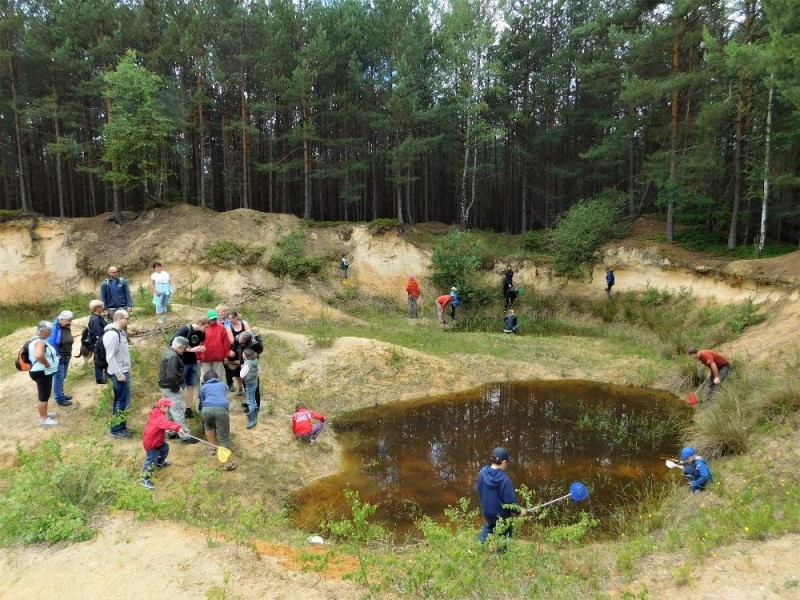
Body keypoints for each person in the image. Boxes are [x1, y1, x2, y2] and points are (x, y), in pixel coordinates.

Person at [476, 447, 528, 542]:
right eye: (507, 462)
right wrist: (520, 511)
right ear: (503, 462)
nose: (507, 464)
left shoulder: (482, 473)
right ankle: (502, 555)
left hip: (487, 512)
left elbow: (479, 489)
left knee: (489, 526)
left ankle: (477, 548)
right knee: (505, 531)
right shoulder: (505, 480)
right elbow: (510, 504)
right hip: (501, 516)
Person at [157, 336, 198, 445]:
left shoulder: (167, 351)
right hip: (171, 388)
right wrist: (176, 388)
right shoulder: (173, 357)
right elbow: (171, 376)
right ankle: (185, 436)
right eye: (184, 349)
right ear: (180, 346)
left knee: (169, 411)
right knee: (178, 411)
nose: (184, 351)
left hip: (164, 387)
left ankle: (171, 432)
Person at [140, 398, 186, 489]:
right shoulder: (158, 416)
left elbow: (163, 424)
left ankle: (159, 464)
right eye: (168, 407)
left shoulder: (158, 413)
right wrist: (178, 428)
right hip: (152, 443)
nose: (169, 408)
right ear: (162, 407)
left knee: (165, 448)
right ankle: (145, 479)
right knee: (151, 460)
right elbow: (166, 424)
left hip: (157, 440)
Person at [171, 317, 209, 418]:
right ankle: (175, 408)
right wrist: (191, 350)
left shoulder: (202, 333)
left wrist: (201, 349)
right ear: (200, 323)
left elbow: (199, 344)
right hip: (182, 362)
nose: (207, 329)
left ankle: (188, 409)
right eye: (206, 326)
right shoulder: (185, 330)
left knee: (191, 386)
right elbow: (173, 344)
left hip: (193, 362)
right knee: (178, 386)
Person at [198, 370, 236, 471]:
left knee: (208, 426)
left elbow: (201, 401)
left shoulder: (203, 387)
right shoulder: (223, 385)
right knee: (223, 437)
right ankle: (227, 463)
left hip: (206, 409)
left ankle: (212, 448)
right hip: (221, 409)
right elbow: (222, 396)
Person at [104, 309, 133, 439]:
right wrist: (119, 373)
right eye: (127, 318)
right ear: (120, 318)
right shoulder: (112, 334)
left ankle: (120, 426)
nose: (128, 320)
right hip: (119, 373)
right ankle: (117, 429)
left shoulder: (119, 332)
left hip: (123, 371)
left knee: (122, 400)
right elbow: (110, 357)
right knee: (122, 401)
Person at [28, 321, 59, 427]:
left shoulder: (37, 340)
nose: (50, 333)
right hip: (42, 372)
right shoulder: (40, 342)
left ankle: (45, 413)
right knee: (43, 396)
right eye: (48, 331)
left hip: (40, 371)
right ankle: (43, 419)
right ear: (41, 331)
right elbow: (39, 355)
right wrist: (47, 364)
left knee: (45, 394)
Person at [47, 310, 75, 407]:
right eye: (68, 320)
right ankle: (59, 399)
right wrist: (57, 356)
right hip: (59, 357)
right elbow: (51, 343)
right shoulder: (54, 328)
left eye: (71, 320)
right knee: (58, 378)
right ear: (61, 319)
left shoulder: (65, 326)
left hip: (66, 355)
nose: (70, 322)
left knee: (62, 376)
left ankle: (61, 394)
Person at [233, 331, 264, 411]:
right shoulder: (238, 338)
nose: (239, 342)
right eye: (239, 340)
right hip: (244, 364)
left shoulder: (255, 345)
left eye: (241, 341)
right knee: (246, 385)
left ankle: (256, 406)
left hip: (251, 366)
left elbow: (257, 355)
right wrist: (233, 353)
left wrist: (249, 364)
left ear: (247, 341)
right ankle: (250, 402)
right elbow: (234, 347)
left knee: (254, 387)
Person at [199, 309, 233, 379]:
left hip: (218, 357)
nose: (213, 320)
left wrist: (226, 355)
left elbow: (225, 343)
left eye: (215, 318)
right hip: (205, 357)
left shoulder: (221, 327)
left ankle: (217, 389)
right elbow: (198, 343)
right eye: (211, 319)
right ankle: (204, 390)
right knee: (204, 377)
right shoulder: (203, 327)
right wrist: (198, 357)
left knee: (218, 377)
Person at [225, 310, 250, 394]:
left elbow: (249, 335)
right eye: (228, 319)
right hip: (235, 350)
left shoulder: (244, 323)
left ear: (236, 317)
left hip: (246, 350)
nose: (229, 321)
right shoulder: (229, 328)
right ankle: (240, 387)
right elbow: (232, 341)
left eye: (230, 319)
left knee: (246, 368)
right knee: (236, 370)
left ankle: (248, 386)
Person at [239, 348, 261, 429]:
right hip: (255, 382)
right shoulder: (255, 361)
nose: (242, 355)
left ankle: (252, 420)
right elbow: (259, 371)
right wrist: (254, 376)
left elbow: (241, 375)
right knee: (253, 399)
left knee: (249, 401)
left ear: (246, 356)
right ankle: (255, 415)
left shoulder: (247, 364)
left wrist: (242, 368)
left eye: (243, 354)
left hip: (249, 384)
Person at [87, 300, 108, 384]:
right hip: (99, 343)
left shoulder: (98, 317)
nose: (103, 308)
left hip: (102, 342)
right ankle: (99, 378)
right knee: (99, 360)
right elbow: (97, 333)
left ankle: (106, 377)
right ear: (96, 308)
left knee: (104, 359)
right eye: (101, 306)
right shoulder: (95, 319)